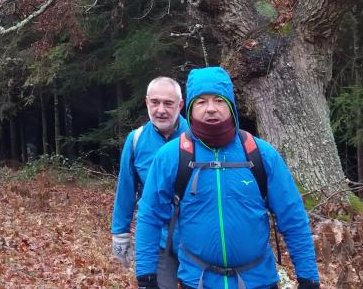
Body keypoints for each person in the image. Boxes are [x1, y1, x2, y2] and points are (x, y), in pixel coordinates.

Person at [133, 67, 320, 289]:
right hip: (197, 281)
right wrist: (146, 276)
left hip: (258, 281)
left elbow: (293, 217)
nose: (211, 109)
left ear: (231, 105)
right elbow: (150, 216)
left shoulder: (260, 154)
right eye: (201, 102)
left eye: (219, 101)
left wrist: (308, 277)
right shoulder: (172, 156)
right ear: (189, 108)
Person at [111, 76, 187, 288]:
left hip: (196, 240)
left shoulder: (197, 137)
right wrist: (120, 232)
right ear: (146, 103)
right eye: (155, 102)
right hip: (158, 240)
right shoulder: (136, 140)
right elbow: (126, 189)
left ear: (180, 105)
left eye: (168, 103)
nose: (161, 110)